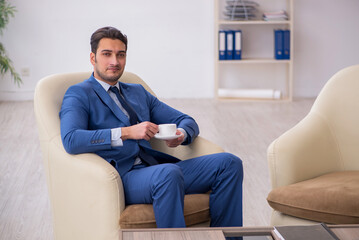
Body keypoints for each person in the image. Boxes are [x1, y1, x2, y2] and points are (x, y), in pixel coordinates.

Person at [60, 26, 243, 228]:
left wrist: (181, 135)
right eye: (107, 54)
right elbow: (71, 139)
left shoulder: (137, 92)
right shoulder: (78, 94)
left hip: (158, 168)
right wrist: (126, 132)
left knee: (229, 163)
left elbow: (186, 120)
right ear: (93, 58)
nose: (115, 61)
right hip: (125, 177)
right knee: (168, 174)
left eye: (120, 55)